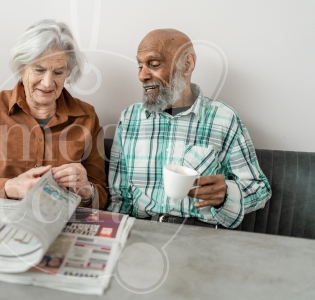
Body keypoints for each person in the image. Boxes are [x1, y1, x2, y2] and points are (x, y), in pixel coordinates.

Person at [107, 29, 271, 228]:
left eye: (154, 64)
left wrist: (227, 193)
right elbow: (119, 197)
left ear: (187, 64)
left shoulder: (223, 118)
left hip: (200, 234)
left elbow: (259, 189)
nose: (142, 75)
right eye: (140, 66)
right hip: (141, 231)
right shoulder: (130, 118)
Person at [0, 20, 107, 209]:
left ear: (67, 73)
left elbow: (102, 197)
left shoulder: (86, 117)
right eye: (39, 69)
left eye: (58, 72)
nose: (47, 83)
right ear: (22, 68)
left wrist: (87, 190)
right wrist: (11, 187)